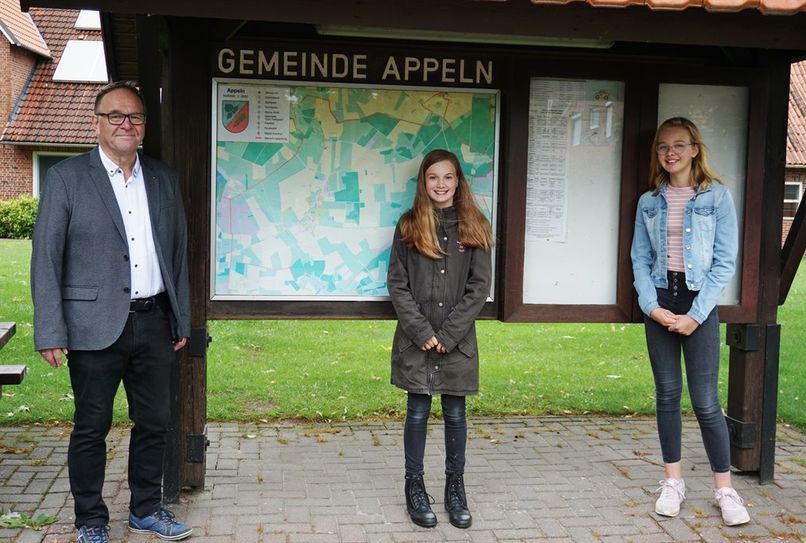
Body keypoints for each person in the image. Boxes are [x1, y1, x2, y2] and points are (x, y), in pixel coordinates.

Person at [31, 81, 193, 542]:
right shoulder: (66, 177)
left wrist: (179, 317)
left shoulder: (162, 178)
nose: (126, 124)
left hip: (154, 322)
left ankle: (146, 509)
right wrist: (50, 329)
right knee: (91, 427)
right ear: (96, 122)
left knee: (155, 423)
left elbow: (177, 253)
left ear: (144, 127)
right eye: (116, 115)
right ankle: (90, 521)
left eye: (135, 117)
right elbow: (46, 256)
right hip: (92, 327)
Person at [631, 117, 750, 526]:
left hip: (699, 302)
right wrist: (652, 306)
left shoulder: (717, 197)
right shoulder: (650, 201)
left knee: (705, 402)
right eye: (663, 146)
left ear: (695, 149)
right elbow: (640, 259)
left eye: (679, 145)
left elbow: (724, 263)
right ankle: (673, 482)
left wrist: (696, 316)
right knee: (667, 395)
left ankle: (725, 489)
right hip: (661, 299)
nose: (670, 153)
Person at [387, 149, 493, 529]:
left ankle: (455, 488)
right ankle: (414, 486)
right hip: (417, 340)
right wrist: (422, 332)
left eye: (448, 177)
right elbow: (397, 285)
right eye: (433, 177)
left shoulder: (474, 225)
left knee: (455, 412)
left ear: (458, 181)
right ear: (423, 182)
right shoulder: (409, 225)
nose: (441, 184)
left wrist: (448, 334)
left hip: (457, 342)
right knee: (417, 411)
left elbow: (479, 287)